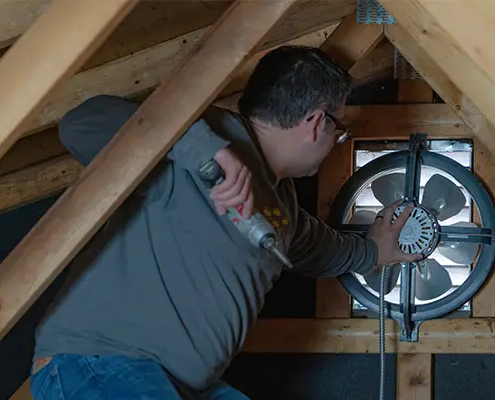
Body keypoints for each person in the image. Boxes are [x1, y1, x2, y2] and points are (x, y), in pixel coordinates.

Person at [29, 45, 423, 399]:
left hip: (182, 384)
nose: (333, 139)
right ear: (317, 123)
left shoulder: (278, 202)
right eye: (338, 128)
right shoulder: (201, 136)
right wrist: (203, 150)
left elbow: (316, 247)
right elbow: (79, 125)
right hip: (100, 362)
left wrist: (374, 250)